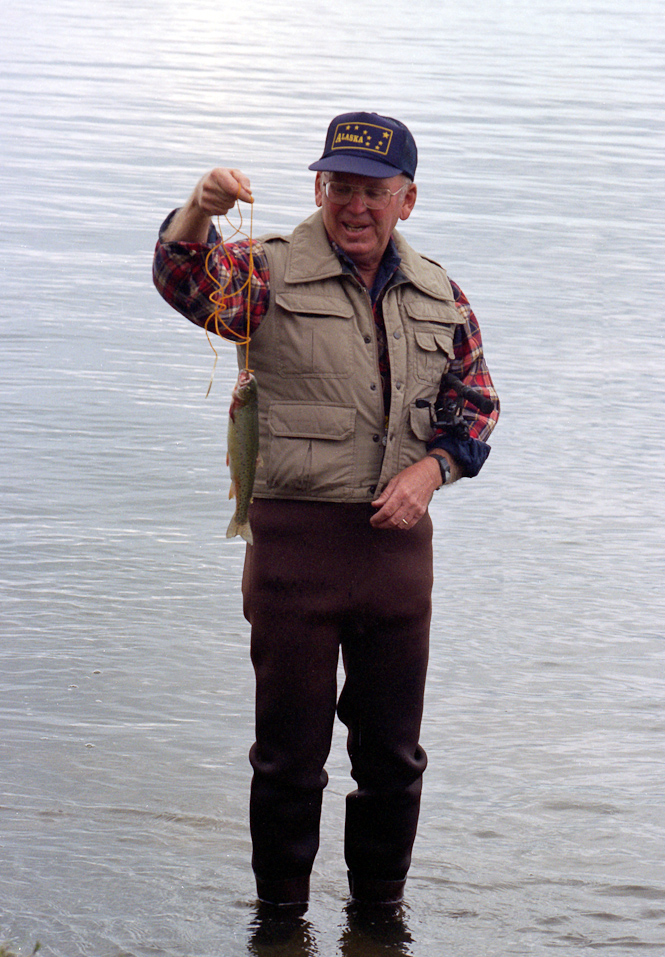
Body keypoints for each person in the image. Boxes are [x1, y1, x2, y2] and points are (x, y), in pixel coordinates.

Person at [153, 111, 499, 910]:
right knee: (287, 758)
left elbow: (475, 403)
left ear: (405, 200)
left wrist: (433, 470)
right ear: (318, 187)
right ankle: (278, 931)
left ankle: (379, 925)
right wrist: (199, 207)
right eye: (340, 186)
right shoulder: (262, 271)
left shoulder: (442, 294)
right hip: (292, 559)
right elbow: (183, 279)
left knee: (392, 758)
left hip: (395, 559)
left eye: (373, 191)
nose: (354, 205)